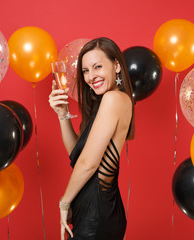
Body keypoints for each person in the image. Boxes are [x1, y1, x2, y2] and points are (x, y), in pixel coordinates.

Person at [49, 37, 135, 240]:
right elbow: (77, 155)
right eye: (86, 71)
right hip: (96, 210)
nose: (91, 76)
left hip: (97, 213)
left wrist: (64, 202)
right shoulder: (108, 100)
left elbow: (88, 164)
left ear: (116, 65)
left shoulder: (113, 98)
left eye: (97, 67)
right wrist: (63, 114)